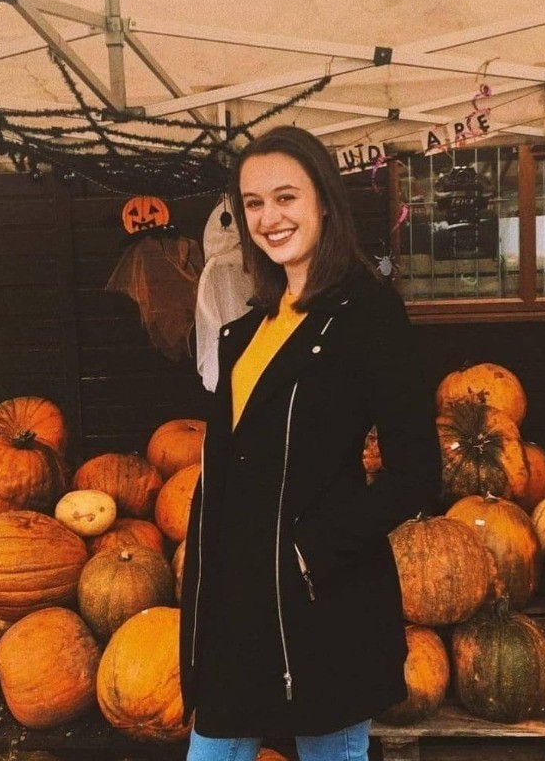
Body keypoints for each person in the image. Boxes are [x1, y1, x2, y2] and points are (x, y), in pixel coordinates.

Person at [179, 125, 440, 761]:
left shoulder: (369, 317)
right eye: (253, 202)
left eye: (286, 197)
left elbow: (417, 474)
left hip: (323, 609)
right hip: (234, 610)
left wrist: (310, 547)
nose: (269, 217)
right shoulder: (245, 330)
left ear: (324, 201)